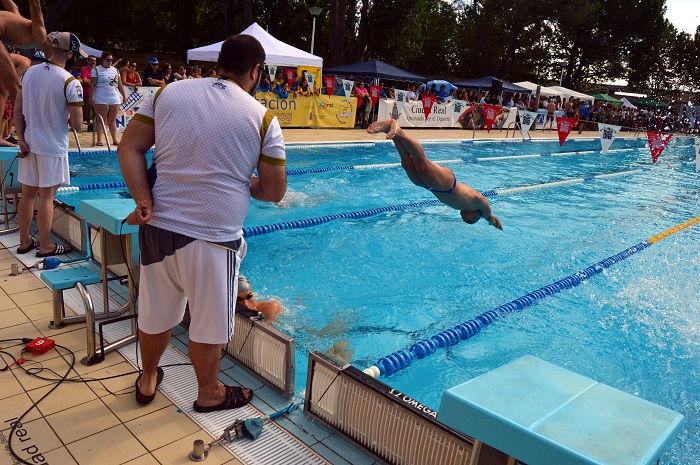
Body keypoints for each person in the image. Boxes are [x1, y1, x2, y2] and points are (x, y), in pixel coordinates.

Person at [118, 34, 287, 412]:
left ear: (219, 62)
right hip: (213, 239)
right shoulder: (262, 118)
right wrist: (241, 182)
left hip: (158, 228)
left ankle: (147, 378)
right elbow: (275, 191)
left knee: (156, 313)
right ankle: (208, 392)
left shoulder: (167, 95)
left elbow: (129, 146)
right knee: (208, 325)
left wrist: (142, 199)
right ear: (256, 70)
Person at [15, 31, 84, 257]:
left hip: (30, 143)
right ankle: (46, 245)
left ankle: (25, 241)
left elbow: (17, 108)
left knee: (27, 194)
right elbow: (78, 124)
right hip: (52, 146)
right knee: (46, 197)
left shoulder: (29, 73)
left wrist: (22, 139)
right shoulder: (70, 82)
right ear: (70, 53)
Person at [368, 119, 502, 230]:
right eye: (469, 221)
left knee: (407, 163)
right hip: (448, 184)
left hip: (430, 187)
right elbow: (490, 215)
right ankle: (400, 131)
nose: (464, 220)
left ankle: (390, 130)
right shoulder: (479, 203)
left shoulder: (466, 207)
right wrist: (492, 221)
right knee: (421, 165)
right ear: (475, 214)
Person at [0, 0, 46, 105]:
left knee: (3, 89)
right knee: (13, 88)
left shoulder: (18, 19)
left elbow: (13, 7)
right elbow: (35, 5)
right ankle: (22, 120)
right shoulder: (41, 38)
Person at [90, 51, 126, 146]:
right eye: (108, 60)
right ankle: (99, 139)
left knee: (112, 119)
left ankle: (115, 139)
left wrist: (124, 96)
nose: (110, 62)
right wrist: (91, 98)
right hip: (101, 97)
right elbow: (92, 85)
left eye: (111, 60)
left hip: (114, 97)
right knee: (101, 119)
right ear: (102, 60)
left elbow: (119, 84)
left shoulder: (115, 70)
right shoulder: (96, 70)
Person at [79, 55, 96, 130]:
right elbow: (85, 80)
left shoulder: (97, 70)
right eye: (91, 60)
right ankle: (89, 125)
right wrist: (94, 82)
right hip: (86, 92)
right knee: (86, 110)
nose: (93, 62)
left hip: (96, 93)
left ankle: (95, 125)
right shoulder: (84, 69)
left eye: (94, 60)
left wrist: (91, 82)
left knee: (96, 110)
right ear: (88, 61)